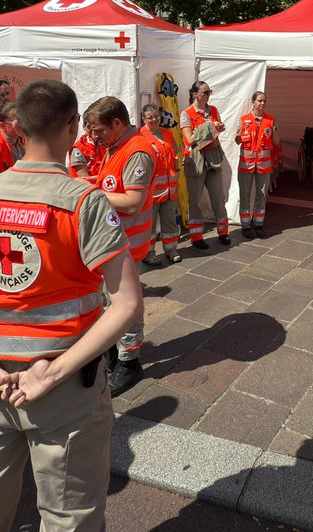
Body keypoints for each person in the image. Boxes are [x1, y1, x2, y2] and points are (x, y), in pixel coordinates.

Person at [0, 79, 143, 531]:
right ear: (73, 126)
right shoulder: (83, 202)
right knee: (69, 517)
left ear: (19, 127)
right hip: (62, 384)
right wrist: (53, 373)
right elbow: (127, 303)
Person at [84, 95, 156, 396]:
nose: (94, 137)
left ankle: (129, 361)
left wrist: (89, 192)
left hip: (127, 244)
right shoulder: (118, 146)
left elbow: (133, 201)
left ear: (117, 123)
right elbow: (112, 184)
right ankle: (115, 353)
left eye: (99, 130)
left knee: (125, 304)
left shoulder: (136, 151)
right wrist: (89, 183)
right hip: (114, 241)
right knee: (112, 301)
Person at [181, 80, 230, 249]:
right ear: (195, 94)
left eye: (210, 92)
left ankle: (223, 232)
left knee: (218, 198)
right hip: (196, 160)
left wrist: (219, 127)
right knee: (195, 200)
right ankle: (196, 237)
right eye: (206, 92)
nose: (209, 95)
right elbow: (189, 139)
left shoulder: (213, 110)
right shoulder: (186, 114)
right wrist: (210, 126)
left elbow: (216, 131)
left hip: (213, 157)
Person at [141, 103, 182, 264]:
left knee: (170, 220)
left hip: (170, 189)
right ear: (144, 119)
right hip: (151, 191)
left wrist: (177, 171)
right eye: (150, 117)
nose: (154, 119)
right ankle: (148, 254)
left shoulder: (167, 133)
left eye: (156, 116)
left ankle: (171, 250)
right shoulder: (140, 136)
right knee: (149, 225)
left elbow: (175, 154)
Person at [235, 91, 280, 238]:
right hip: (246, 165)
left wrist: (274, 130)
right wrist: (238, 136)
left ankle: (259, 224)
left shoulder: (271, 120)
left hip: (263, 165)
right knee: (245, 194)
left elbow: (277, 142)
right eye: (260, 100)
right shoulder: (244, 120)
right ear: (253, 102)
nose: (262, 103)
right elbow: (237, 140)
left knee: (261, 194)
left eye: (264, 101)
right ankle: (245, 225)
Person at [69, 110, 103, 185]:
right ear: (84, 127)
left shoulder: (104, 143)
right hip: (85, 188)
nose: (92, 129)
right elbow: (84, 178)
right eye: (88, 126)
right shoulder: (79, 148)